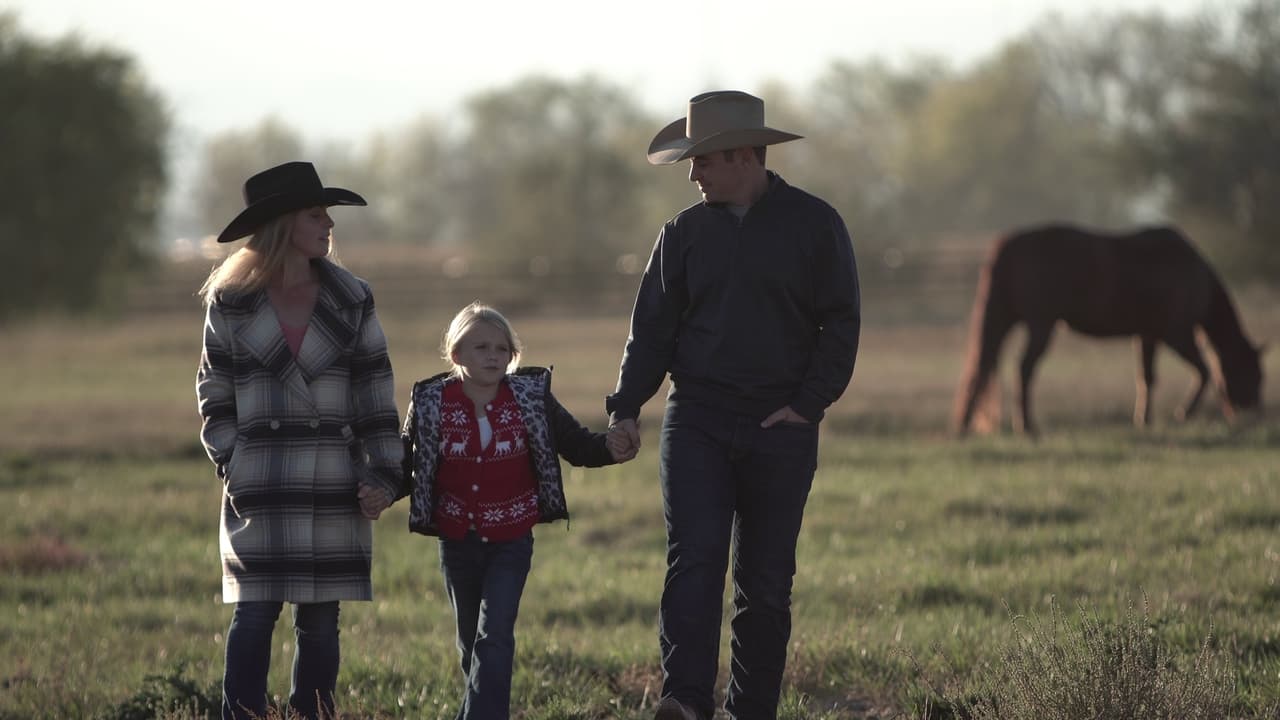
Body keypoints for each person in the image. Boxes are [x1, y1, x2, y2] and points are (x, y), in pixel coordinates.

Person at [605, 91, 861, 720]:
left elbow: (841, 322)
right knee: (693, 564)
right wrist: (626, 407)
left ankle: (751, 710)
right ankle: (686, 702)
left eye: (704, 162)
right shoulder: (682, 234)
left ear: (744, 156)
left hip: (783, 427)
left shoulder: (815, 224)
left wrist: (808, 405)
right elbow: (653, 332)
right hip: (698, 421)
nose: (692, 175)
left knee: (766, 584)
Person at [196, 161, 402, 720]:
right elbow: (214, 392)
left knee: (320, 620)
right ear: (284, 223)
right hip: (259, 483)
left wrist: (384, 474)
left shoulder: (352, 298)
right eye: (316, 214)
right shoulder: (231, 303)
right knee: (255, 613)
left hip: (332, 478)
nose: (329, 223)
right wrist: (233, 462)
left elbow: (376, 393)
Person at [400, 302, 635, 719]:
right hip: (457, 542)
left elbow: (576, 444)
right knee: (471, 642)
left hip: (511, 539)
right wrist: (377, 488)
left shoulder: (530, 397)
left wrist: (609, 448)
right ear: (456, 354)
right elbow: (407, 465)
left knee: (495, 636)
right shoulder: (432, 400)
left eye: (502, 348)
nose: (494, 356)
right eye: (481, 347)